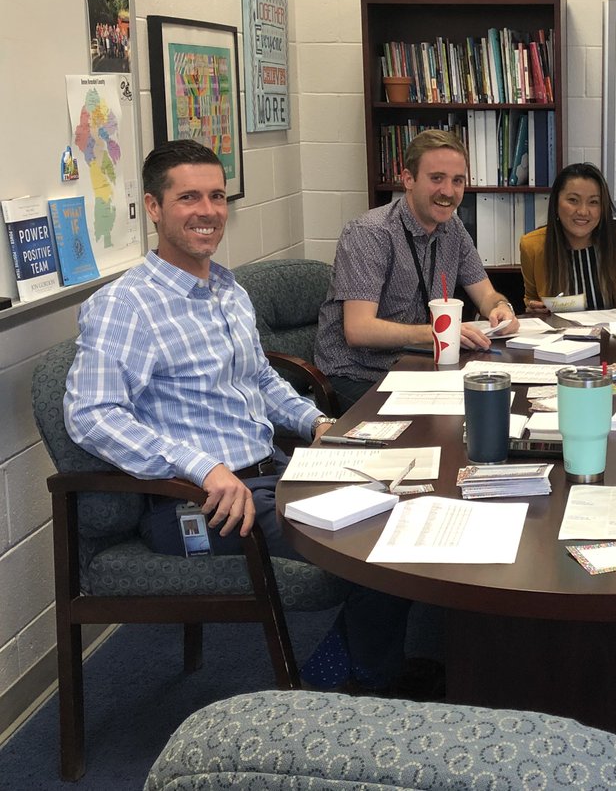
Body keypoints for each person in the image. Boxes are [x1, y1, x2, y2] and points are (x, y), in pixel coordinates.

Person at [65, 139, 414, 694]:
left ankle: (351, 668)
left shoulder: (226, 289)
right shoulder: (127, 305)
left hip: (269, 473)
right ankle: (365, 686)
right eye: (188, 198)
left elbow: (258, 380)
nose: (208, 211)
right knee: (380, 538)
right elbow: (90, 412)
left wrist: (318, 425)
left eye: (217, 196)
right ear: (154, 208)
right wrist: (200, 467)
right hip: (197, 507)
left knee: (406, 493)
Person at [315, 129, 516, 408]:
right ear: (408, 179)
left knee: (492, 402)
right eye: (437, 179)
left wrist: (501, 308)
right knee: (446, 421)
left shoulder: (452, 228)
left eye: (457, 181)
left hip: (415, 367)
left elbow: (486, 295)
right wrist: (439, 332)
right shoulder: (370, 233)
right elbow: (358, 329)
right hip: (357, 375)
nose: (448, 192)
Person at [520, 162, 616, 315]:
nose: (583, 211)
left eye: (593, 202)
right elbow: (531, 298)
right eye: (573, 200)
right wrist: (533, 308)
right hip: (563, 336)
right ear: (555, 204)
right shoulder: (533, 246)